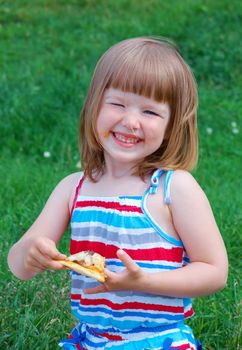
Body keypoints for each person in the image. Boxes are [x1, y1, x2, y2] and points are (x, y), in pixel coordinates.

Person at [8, 37, 228, 350]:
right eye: (118, 104)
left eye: (150, 112)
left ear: (172, 124)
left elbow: (214, 271)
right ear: (95, 104)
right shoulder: (74, 188)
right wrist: (31, 252)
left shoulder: (173, 188)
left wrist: (144, 282)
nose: (130, 121)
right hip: (89, 340)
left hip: (157, 341)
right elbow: (17, 265)